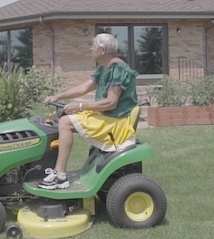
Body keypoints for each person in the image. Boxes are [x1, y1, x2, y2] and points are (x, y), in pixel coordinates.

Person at [38, 33, 139, 190]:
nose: (91, 48)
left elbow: (111, 103)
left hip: (116, 124)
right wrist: (58, 96)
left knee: (65, 123)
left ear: (103, 50)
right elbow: (83, 88)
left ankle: (60, 176)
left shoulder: (118, 70)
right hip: (107, 117)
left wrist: (80, 106)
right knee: (61, 117)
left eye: (93, 45)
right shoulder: (104, 69)